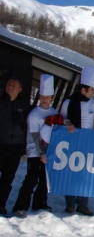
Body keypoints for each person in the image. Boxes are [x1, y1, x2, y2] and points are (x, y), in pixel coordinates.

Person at [12, 75, 55, 217]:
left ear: (51, 97)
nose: (44, 99)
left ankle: (39, 204)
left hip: (48, 154)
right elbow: (35, 136)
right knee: (31, 179)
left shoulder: (54, 113)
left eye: (47, 97)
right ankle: (20, 206)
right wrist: (41, 153)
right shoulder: (34, 114)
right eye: (42, 96)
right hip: (35, 152)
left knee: (44, 180)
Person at [60, 66, 94, 216]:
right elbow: (62, 118)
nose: (93, 92)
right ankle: (70, 203)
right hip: (72, 141)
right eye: (91, 89)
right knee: (71, 172)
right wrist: (68, 123)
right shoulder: (69, 102)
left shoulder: (93, 104)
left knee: (85, 173)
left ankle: (83, 204)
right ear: (83, 90)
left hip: (87, 142)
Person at [0, 77, 28, 216]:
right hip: (0, 144)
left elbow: (26, 127)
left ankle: (1, 204)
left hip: (15, 148)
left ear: (19, 89)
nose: (10, 87)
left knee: (8, 178)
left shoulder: (22, 106)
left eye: (13, 85)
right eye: (9, 84)